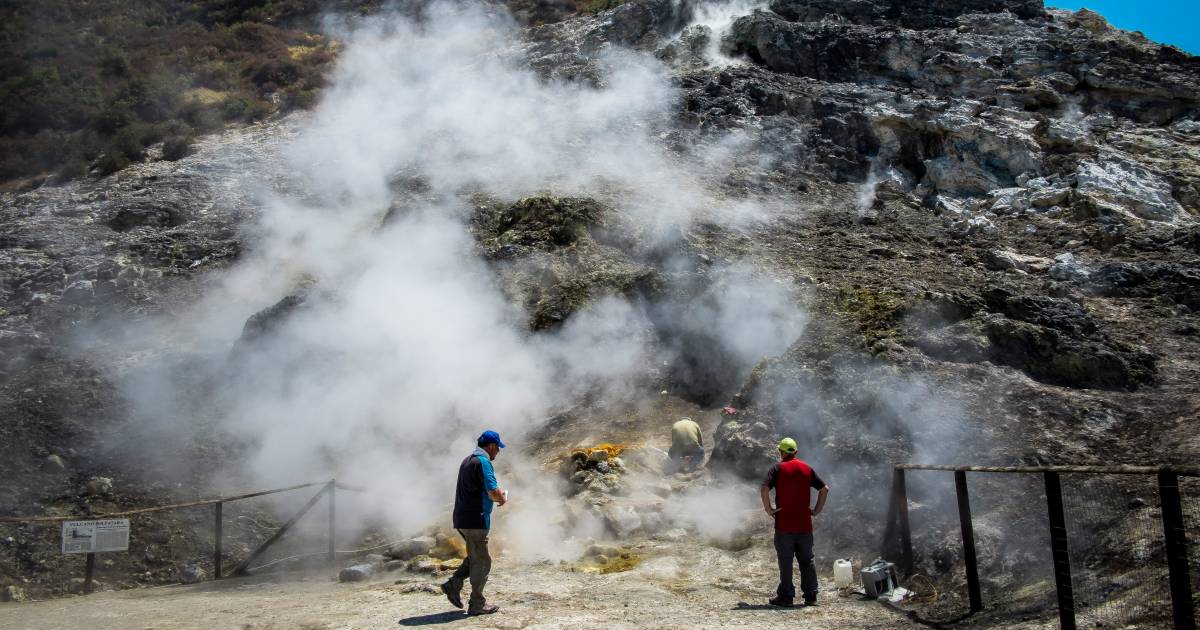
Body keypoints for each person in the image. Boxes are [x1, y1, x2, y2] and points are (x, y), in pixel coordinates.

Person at [441, 430, 507, 616]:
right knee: (483, 561)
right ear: (491, 446)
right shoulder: (484, 463)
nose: (498, 452)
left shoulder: (467, 460)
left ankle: (453, 585)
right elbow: (493, 491)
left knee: (475, 556)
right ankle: (477, 604)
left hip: (462, 518)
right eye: (498, 448)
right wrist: (502, 499)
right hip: (475, 519)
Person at [760, 437, 829, 607]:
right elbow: (824, 489)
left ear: (781, 452)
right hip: (805, 525)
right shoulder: (807, 468)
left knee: (785, 561)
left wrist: (769, 509)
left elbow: (764, 488)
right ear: (796, 452)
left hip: (784, 524)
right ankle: (811, 595)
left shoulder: (777, 468)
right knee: (807, 559)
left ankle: (786, 596)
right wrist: (816, 510)